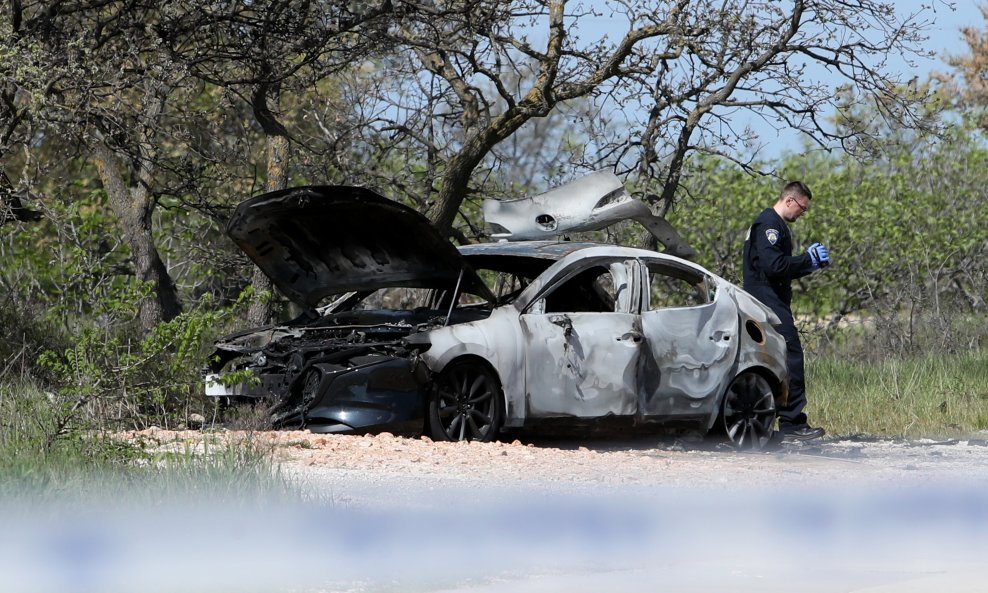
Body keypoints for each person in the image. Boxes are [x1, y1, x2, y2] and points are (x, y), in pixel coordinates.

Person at [742, 181, 830, 442]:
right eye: (802, 208)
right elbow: (773, 267)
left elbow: (778, 268)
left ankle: (766, 419)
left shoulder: (773, 224)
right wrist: (806, 259)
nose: (802, 214)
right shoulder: (770, 225)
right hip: (767, 300)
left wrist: (810, 266)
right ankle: (792, 423)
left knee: (771, 360)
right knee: (791, 357)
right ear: (790, 200)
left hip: (770, 298)